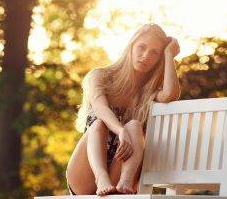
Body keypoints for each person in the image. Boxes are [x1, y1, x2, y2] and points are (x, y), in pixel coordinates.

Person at [66, 23, 181, 196]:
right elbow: (100, 109)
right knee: (98, 124)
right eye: (141, 47)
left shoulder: (147, 91)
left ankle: (125, 181)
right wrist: (121, 131)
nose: (145, 56)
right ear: (131, 46)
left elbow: (170, 95)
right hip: (87, 170)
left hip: (121, 170)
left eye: (154, 53)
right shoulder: (99, 75)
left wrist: (169, 54)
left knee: (135, 125)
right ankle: (101, 177)